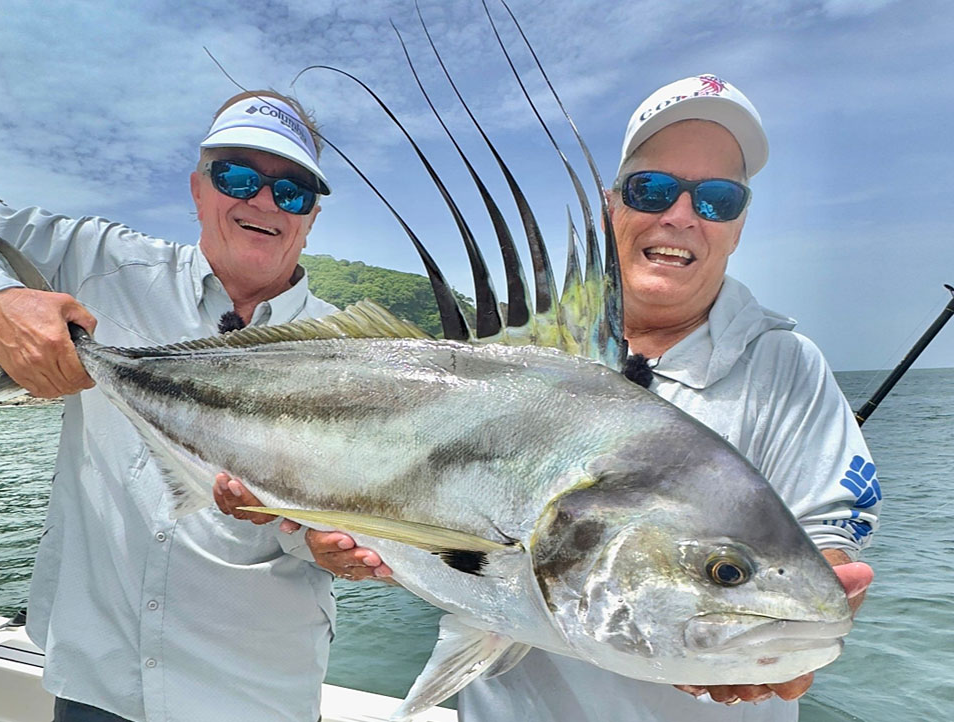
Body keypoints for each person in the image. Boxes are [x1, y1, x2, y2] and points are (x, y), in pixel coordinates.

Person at [300, 76, 881, 722]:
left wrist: (789, 627)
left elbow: (827, 545)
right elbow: (409, 521)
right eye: (652, 189)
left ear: (739, 225)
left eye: (718, 198)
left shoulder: (786, 368)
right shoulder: (512, 359)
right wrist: (342, 535)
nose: (681, 215)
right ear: (612, 206)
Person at [0, 90, 344, 722]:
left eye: (292, 191)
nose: (263, 201)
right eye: (237, 177)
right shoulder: (99, 261)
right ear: (198, 189)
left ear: (311, 217)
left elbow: (335, 520)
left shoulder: (349, 353)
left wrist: (325, 544)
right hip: (98, 677)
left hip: (255, 692)